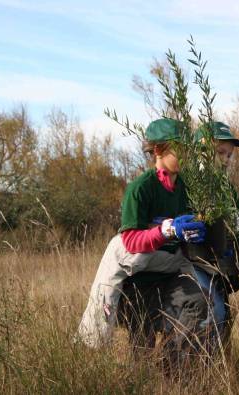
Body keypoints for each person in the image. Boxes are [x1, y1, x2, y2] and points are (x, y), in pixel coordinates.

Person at [77, 118, 208, 352]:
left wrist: (196, 233)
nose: (187, 154)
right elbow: (130, 241)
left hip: (170, 274)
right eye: (180, 148)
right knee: (142, 349)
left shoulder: (187, 189)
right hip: (138, 280)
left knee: (198, 301)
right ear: (158, 150)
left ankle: (171, 366)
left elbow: (193, 226)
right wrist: (165, 230)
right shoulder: (141, 188)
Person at [192, 121, 239, 339]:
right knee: (210, 310)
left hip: (219, 263)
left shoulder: (224, 185)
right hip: (193, 262)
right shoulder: (190, 182)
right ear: (201, 151)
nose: (225, 159)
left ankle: (216, 367)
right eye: (220, 153)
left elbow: (237, 215)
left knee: (224, 315)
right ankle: (190, 367)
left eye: (229, 155)